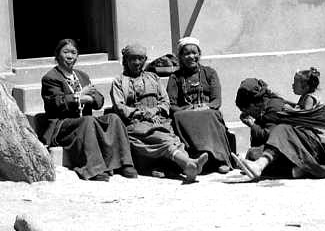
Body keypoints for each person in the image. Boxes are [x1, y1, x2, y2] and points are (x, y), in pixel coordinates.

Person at [40, 39, 137, 181]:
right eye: (65, 52)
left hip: (84, 123)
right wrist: (79, 97)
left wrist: (89, 99)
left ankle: (123, 163)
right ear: (57, 55)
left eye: (73, 53)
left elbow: (99, 100)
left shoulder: (82, 76)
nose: (70, 56)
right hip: (62, 126)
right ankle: (93, 168)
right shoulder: (51, 78)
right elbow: (56, 103)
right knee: (88, 121)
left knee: (113, 118)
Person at [110, 43, 208, 183]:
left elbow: (165, 101)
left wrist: (155, 111)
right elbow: (120, 107)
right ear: (125, 60)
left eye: (140, 59)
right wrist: (142, 114)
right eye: (133, 59)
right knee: (163, 140)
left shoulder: (153, 77)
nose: (137, 62)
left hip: (158, 120)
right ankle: (189, 163)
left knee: (173, 139)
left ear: (145, 60)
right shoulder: (119, 82)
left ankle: (189, 166)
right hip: (136, 125)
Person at [232, 78, 325, 181]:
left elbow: (272, 138)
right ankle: (296, 170)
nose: (245, 114)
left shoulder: (273, 109)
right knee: (253, 154)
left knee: (256, 152)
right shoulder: (266, 107)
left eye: (245, 110)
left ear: (253, 105)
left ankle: (287, 169)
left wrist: (252, 125)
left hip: (309, 149)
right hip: (296, 147)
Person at [166, 37, 233, 174]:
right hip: (185, 113)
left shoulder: (210, 73)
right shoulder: (175, 77)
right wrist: (188, 108)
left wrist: (205, 107)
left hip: (207, 111)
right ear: (180, 57)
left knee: (210, 115)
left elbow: (216, 101)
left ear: (199, 54)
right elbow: (171, 104)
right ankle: (193, 159)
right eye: (187, 53)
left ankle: (218, 160)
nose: (191, 56)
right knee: (178, 117)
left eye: (194, 53)